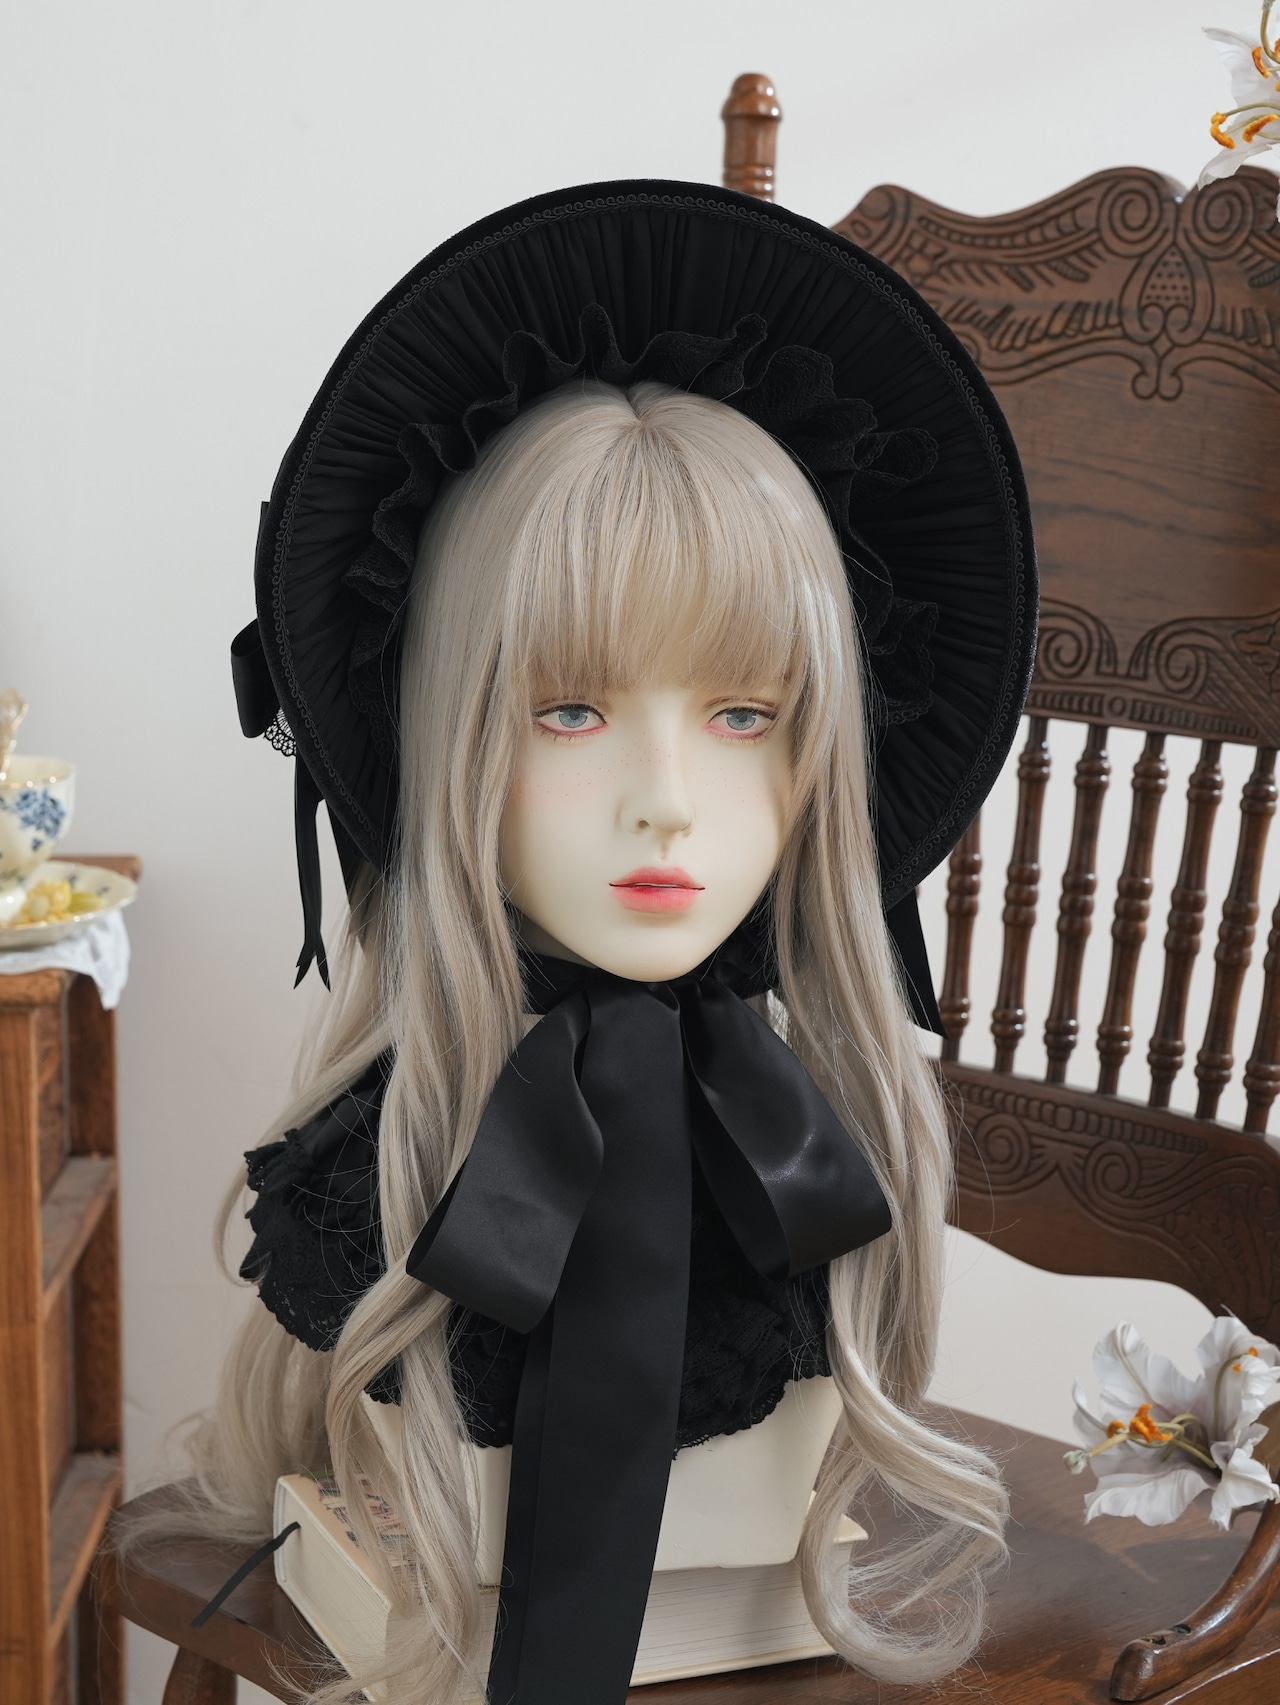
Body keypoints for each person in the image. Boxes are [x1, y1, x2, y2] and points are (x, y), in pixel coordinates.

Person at [161, 181, 1037, 1705]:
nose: (666, 801)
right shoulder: (384, 1175)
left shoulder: (806, 1154)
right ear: (449, 727)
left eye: (744, 713)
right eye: (570, 709)